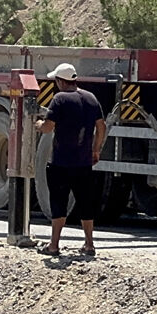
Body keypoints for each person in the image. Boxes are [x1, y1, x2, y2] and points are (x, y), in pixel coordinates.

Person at [35, 63, 107, 257]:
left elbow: (49, 127)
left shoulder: (59, 99)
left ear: (60, 81)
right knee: (85, 203)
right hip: (83, 162)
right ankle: (89, 244)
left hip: (60, 162)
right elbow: (102, 126)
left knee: (58, 202)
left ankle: (54, 245)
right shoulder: (91, 98)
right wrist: (96, 149)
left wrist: (39, 124)